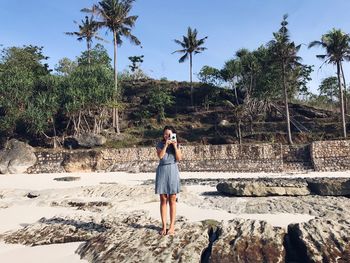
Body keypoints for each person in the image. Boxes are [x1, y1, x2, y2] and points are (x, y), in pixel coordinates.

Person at [155, 125, 182, 236]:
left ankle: (171, 226)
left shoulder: (177, 144)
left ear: (173, 134)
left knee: (172, 198)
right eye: (165, 134)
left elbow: (179, 158)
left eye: (169, 134)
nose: (167, 136)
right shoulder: (160, 144)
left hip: (173, 170)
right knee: (163, 199)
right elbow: (160, 156)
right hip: (162, 170)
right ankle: (164, 226)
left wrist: (175, 146)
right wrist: (166, 144)